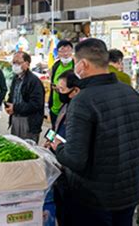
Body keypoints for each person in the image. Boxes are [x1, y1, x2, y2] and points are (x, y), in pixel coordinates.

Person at [51, 38, 139, 226]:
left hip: (94, 199)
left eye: (76, 62)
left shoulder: (82, 101)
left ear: (83, 65)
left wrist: (59, 147)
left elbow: (75, 159)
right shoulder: (131, 94)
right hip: (129, 193)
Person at [50, 70, 80, 226]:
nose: (59, 94)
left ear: (75, 90)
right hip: (60, 160)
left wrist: (59, 147)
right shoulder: (66, 105)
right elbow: (57, 128)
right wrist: (49, 140)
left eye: (62, 90)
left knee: (70, 209)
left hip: (70, 166)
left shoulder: (81, 110)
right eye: (57, 89)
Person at [5, 52, 45, 143]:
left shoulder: (34, 81)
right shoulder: (15, 78)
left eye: (18, 62)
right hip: (15, 117)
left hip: (28, 121)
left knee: (28, 147)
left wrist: (15, 107)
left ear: (27, 64)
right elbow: (12, 95)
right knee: (15, 145)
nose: (15, 65)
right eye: (14, 62)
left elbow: (36, 104)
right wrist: (8, 105)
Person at [48, 40, 75, 129]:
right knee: (54, 131)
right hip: (54, 108)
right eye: (62, 51)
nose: (66, 54)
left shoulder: (76, 66)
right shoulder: (56, 66)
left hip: (69, 109)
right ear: (58, 53)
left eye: (68, 50)